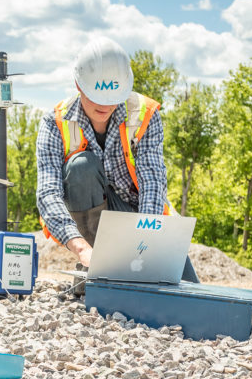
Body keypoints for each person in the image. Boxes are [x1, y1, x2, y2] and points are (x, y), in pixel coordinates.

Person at [36, 36, 198, 281]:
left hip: (136, 214)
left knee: (183, 286)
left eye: (113, 98)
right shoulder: (55, 122)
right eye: (97, 97)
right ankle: (98, 266)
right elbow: (48, 193)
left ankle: (114, 275)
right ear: (79, 85)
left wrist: (145, 244)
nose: (105, 105)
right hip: (89, 221)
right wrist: (81, 249)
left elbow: (152, 182)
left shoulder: (144, 114)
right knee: (81, 167)